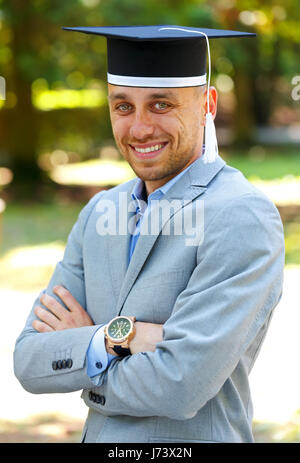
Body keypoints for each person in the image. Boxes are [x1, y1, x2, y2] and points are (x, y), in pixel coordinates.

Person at [14, 25, 285, 443]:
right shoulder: (99, 212)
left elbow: (179, 387)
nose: (139, 129)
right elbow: (30, 361)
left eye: (160, 104)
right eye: (123, 106)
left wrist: (82, 357)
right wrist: (119, 337)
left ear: (206, 105)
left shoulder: (239, 215)